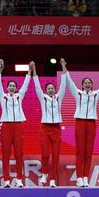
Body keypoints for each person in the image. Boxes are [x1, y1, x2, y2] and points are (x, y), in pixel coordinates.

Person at [66, 63, 99, 187]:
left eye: (89, 82)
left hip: (92, 123)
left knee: (88, 152)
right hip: (80, 122)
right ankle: (79, 177)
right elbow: (70, 82)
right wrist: (64, 67)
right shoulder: (78, 94)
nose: (87, 84)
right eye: (85, 83)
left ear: (91, 85)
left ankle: (85, 177)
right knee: (80, 152)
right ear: (82, 85)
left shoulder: (96, 95)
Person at [32, 59, 67, 187]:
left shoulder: (59, 97)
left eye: (52, 88)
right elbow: (36, 86)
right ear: (46, 90)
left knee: (56, 155)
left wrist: (63, 66)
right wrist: (34, 70)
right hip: (45, 128)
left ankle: (53, 179)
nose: (51, 90)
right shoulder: (43, 98)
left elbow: (63, 84)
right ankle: (44, 174)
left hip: (56, 128)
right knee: (45, 154)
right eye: (49, 88)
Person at [0, 60, 32, 188]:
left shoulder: (19, 96)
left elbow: (26, 85)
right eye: (10, 86)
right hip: (6, 126)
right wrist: (0, 69)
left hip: (18, 126)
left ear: (16, 88)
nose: (11, 87)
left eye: (13, 86)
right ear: (7, 88)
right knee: (5, 154)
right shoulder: (3, 96)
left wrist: (30, 71)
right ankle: (6, 180)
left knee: (19, 154)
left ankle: (18, 179)